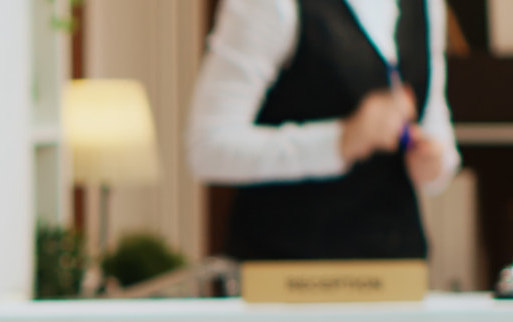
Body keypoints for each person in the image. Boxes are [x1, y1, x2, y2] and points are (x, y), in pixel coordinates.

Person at [189, 0, 460, 260]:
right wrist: (341, 140)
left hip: (396, 271)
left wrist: (433, 163)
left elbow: (437, 129)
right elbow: (208, 146)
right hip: (286, 273)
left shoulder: (428, 4)